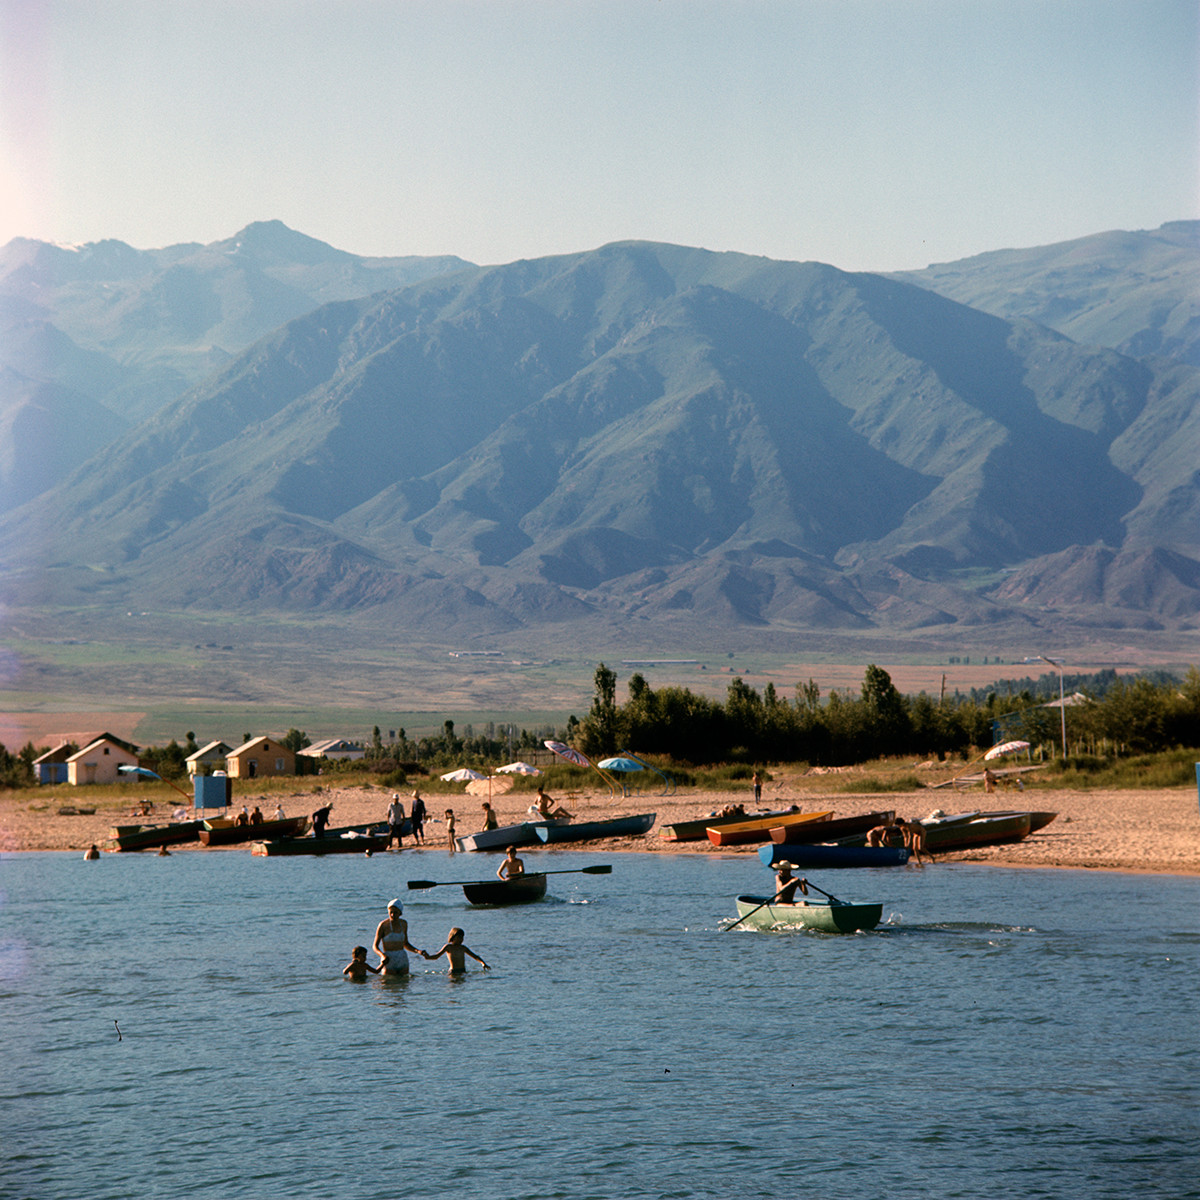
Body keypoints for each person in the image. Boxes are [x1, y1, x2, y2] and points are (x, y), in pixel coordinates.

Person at [373, 899, 424, 978]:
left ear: (400, 913)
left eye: (395, 912)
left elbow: (405, 943)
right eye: (391, 912)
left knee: (404, 984)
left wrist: (417, 951)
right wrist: (382, 955)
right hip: (388, 958)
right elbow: (375, 946)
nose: (393, 915)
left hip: (402, 957)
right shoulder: (383, 925)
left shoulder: (404, 924)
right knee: (388, 984)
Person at [422, 927, 489, 974]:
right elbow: (437, 956)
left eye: (462, 937)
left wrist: (483, 963)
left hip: (463, 971)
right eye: (459, 937)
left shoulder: (463, 948)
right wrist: (428, 957)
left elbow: (475, 956)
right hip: (453, 972)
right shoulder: (448, 947)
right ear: (453, 937)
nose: (461, 939)